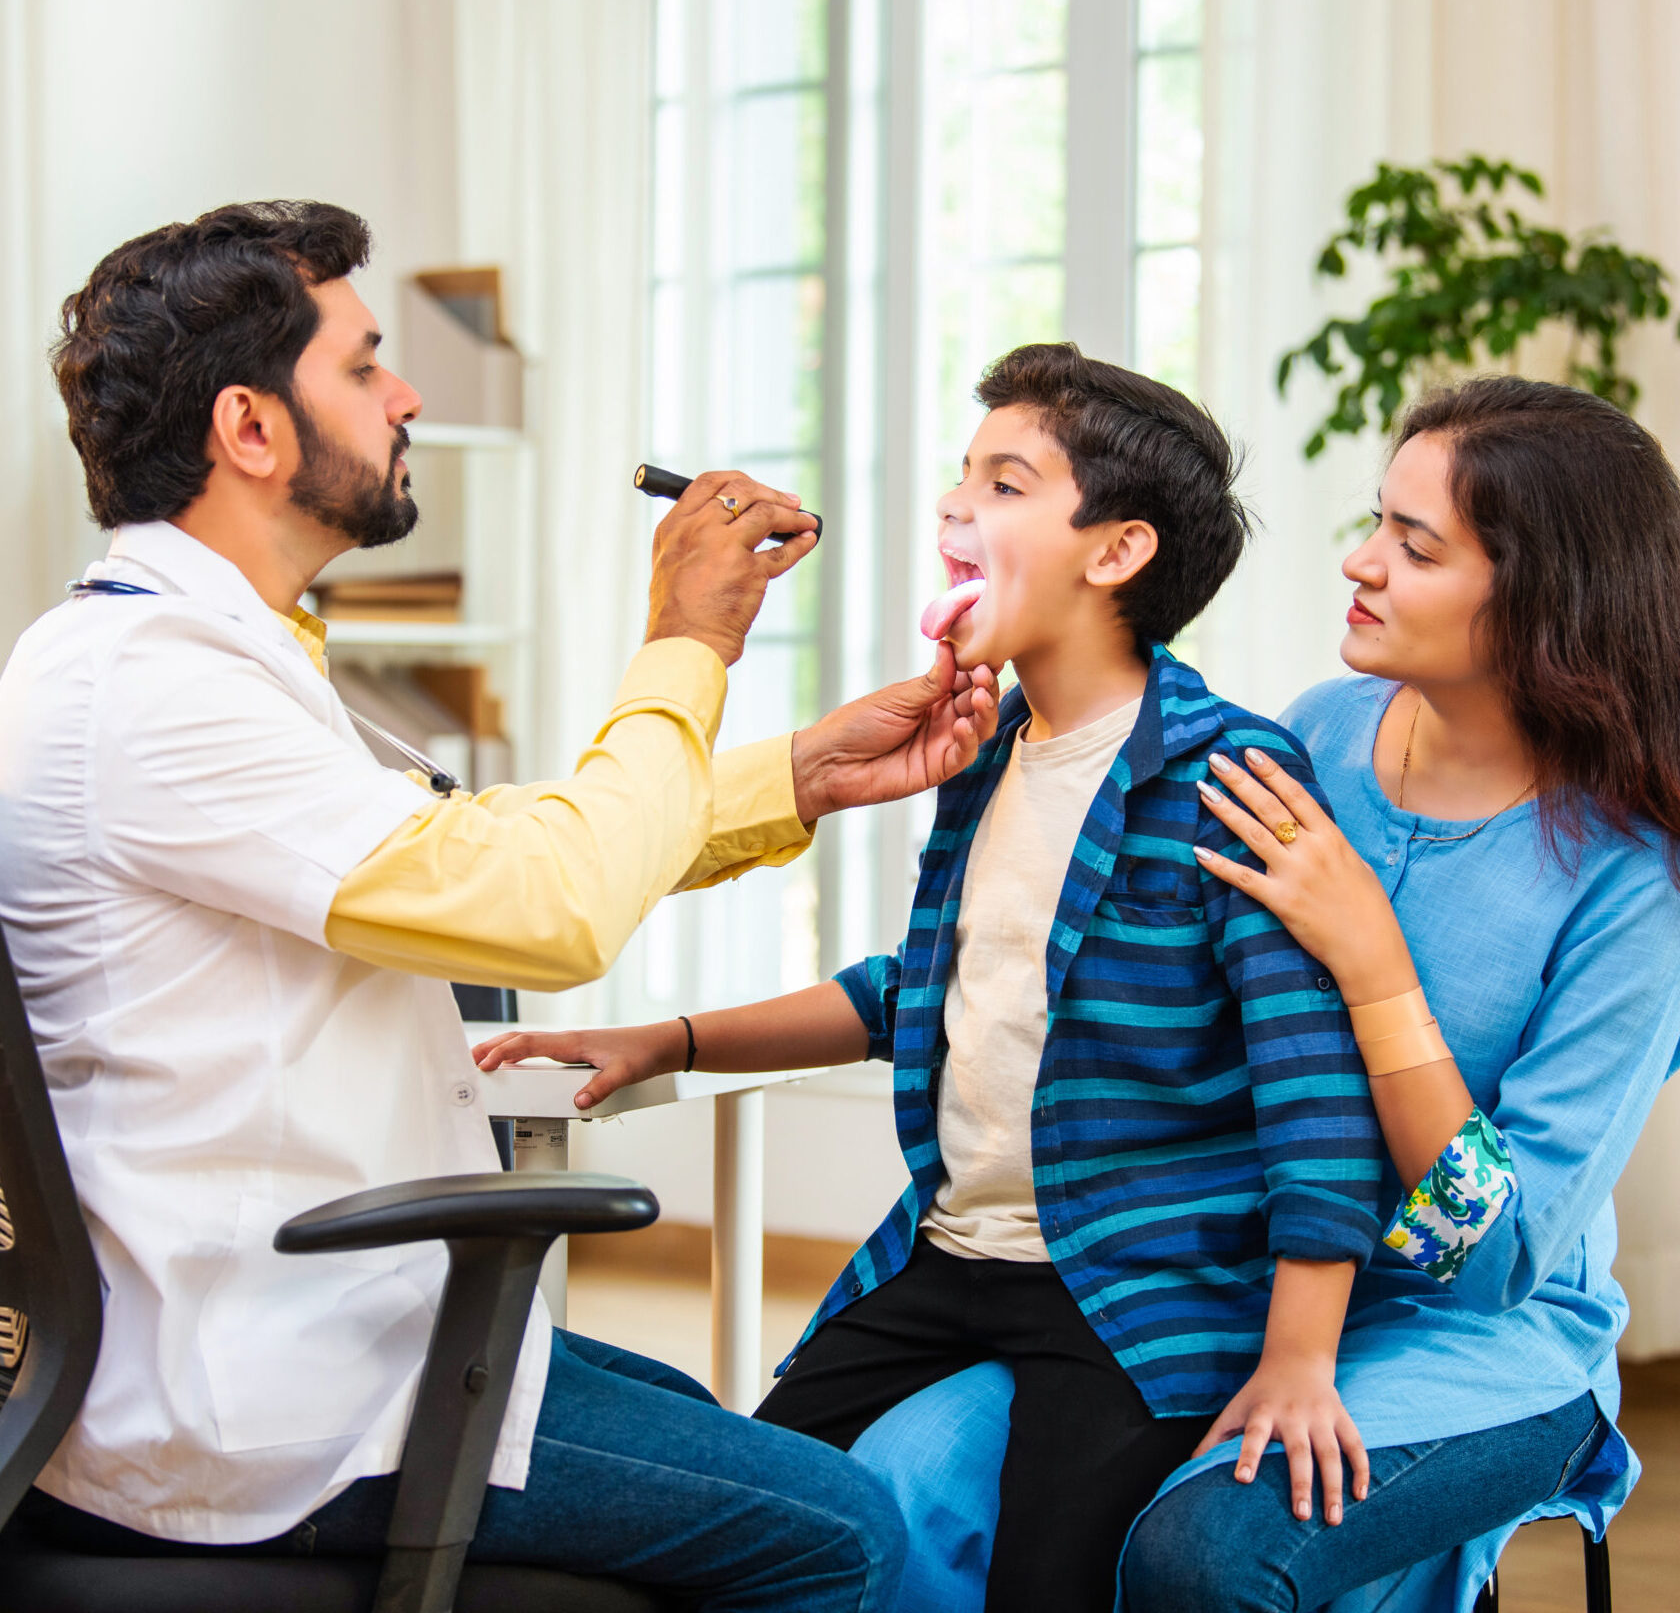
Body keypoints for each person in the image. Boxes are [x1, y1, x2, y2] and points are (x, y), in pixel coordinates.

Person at [0, 200, 1004, 1613]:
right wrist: (687, 640)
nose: (405, 395)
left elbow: (470, 851)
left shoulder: (180, 656)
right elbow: (547, 910)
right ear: (251, 427)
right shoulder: (154, 688)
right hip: (264, 1393)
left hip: (325, 1324)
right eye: (362, 365)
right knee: (834, 1527)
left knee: (744, 1432)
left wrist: (801, 775)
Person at [473, 343, 1388, 1613]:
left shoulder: (1231, 777)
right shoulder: (986, 745)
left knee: (1046, 1582)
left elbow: (1315, 1087)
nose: (957, 506)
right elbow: (924, 990)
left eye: (1003, 484)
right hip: (946, 1255)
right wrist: (667, 1041)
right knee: (765, 1511)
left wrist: (1300, 1357)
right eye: (961, 477)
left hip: (1129, 1286)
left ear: (1116, 554)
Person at [853, 375, 1680, 1613]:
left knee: (1199, 1560)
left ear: (1543, 593)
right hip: (1221, 1279)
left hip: (1476, 1345)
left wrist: (1374, 962)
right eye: (1377, 523)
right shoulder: (1321, 734)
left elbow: (1490, 1252)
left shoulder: (1637, 882)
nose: (1362, 562)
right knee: (887, 1497)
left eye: (1415, 545)